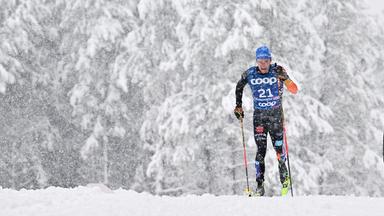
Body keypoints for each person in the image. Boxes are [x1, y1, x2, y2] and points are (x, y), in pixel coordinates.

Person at [234, 45, 298, 196]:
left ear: (270, 60)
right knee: (260, 151)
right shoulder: (250, 73)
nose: (263, 64)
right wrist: (238, 106)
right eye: (260, 61)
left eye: (266, 60)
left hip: (276, 117)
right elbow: (239, 86)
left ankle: (285, 182)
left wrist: (286, 78)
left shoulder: (278, 71)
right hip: (260, 118)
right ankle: (259, 185)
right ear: (257, 61)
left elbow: (294, 90)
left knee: (279, 150)